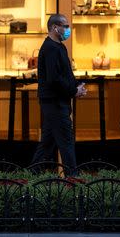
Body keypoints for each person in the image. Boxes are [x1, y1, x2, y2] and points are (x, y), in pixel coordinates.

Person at [29, 13, 86, 175]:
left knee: (47, 143)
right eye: (65, 26)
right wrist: (73, 90)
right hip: (54, 103)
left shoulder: (59, 47)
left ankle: (30, 178)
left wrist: (77, 86)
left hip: (57, 102)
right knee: (66, 141)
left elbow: (66, 74)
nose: (68, 29)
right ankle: (73, 181)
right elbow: (54, 79)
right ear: (55, 27)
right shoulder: (50, 48)